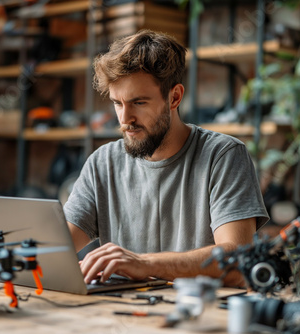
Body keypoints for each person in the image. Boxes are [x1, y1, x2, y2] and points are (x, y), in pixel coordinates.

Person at [63, 30, 269, 287]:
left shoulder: (223, 156)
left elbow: (238, 259)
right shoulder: (102, 163)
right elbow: (57, 248)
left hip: (198, 316)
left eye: (139, 102)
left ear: (174, 97)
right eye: (117, 103)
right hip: (119, 317)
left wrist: (144, 264)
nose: (125, 119)